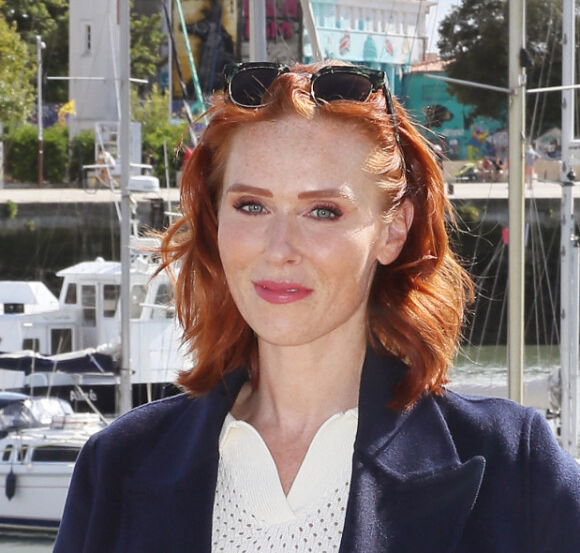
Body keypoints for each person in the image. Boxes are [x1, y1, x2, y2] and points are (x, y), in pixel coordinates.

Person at [54, 61, 580, 552]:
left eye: (323, 211)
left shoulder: (513, 466)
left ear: (392, 230)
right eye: (252, 205)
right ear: (217, 222)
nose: (278, 247)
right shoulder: (117, 465)